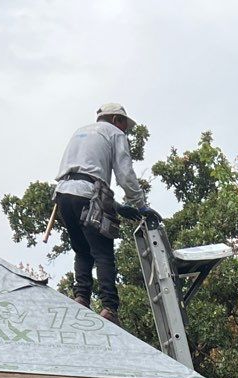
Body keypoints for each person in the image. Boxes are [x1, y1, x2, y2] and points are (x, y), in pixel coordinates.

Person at [54, 103, 159, 324]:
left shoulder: (80, 132)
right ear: (115, 120)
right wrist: (140, 205)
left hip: (64, 195)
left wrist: (117, 206)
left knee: (82, 249)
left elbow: (83, 170)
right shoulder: (115, 134)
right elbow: (124, 173)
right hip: (89, 194)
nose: (125, 130)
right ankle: (109, 308)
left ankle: (81, 297)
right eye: (124, 124)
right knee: (103, 252)